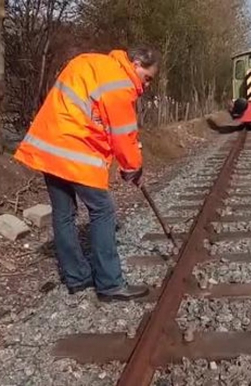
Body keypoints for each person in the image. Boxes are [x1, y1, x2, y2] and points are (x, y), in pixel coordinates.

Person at [13, 47, 160, 301]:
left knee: (64, 213)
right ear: (135, 64)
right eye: (147, 77)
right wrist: (133, 167)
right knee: (102, 210)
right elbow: (123, 134)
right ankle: (110, 284)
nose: (145, 85)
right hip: (75, 148)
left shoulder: (92, 63)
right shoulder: (120, 82)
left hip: (49, 144)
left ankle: (77, 278)